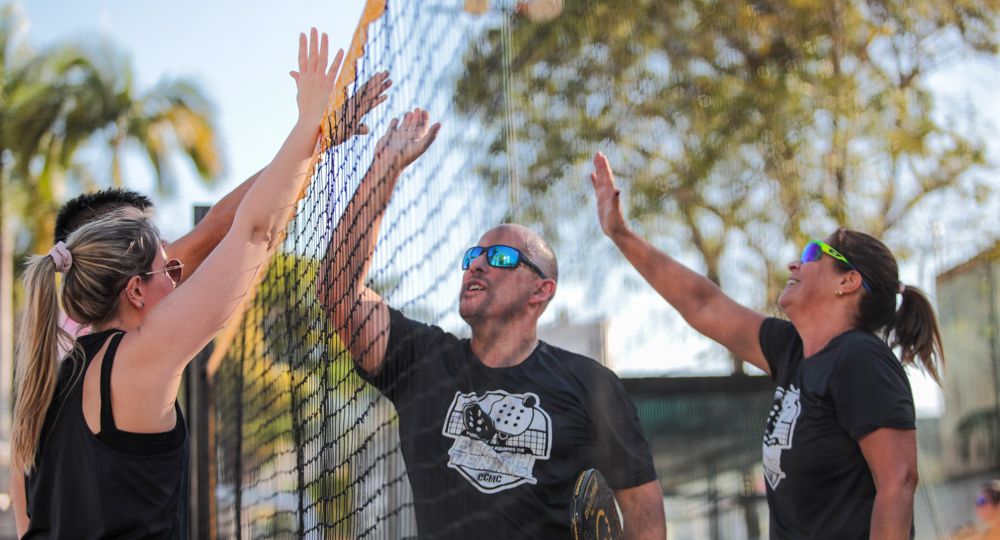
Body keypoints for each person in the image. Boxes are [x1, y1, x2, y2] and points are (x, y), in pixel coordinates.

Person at [11, 28, 348, 538]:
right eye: (166, 269)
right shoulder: (135, 359)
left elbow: (28, 523)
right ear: (135, 291)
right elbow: (254, 231)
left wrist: (315, 139)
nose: (179, 275)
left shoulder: (38, 389)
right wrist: (308, 123)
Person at [318, 111, 666, 539]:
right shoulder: (422, 360)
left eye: (501, 258)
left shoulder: (591, 385)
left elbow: (644, 515)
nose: (477, 264)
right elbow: (337, 289)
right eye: (472, 257)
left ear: (541, 292)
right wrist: (385, 168)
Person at [587, 152, 945, 539]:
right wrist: (620, 232)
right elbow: (703, 303)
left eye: (813, 254)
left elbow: (899, 481)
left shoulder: (860, 359)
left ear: (849, 281)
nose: (795, 264)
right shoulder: (792, 350)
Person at [50, 68, 391, 339]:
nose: (166, 246)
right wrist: (315, 134)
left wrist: (316, 136)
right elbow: (227, 227)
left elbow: (216, 227)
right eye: (140, 234)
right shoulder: (126, 348)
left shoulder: (77, 339)